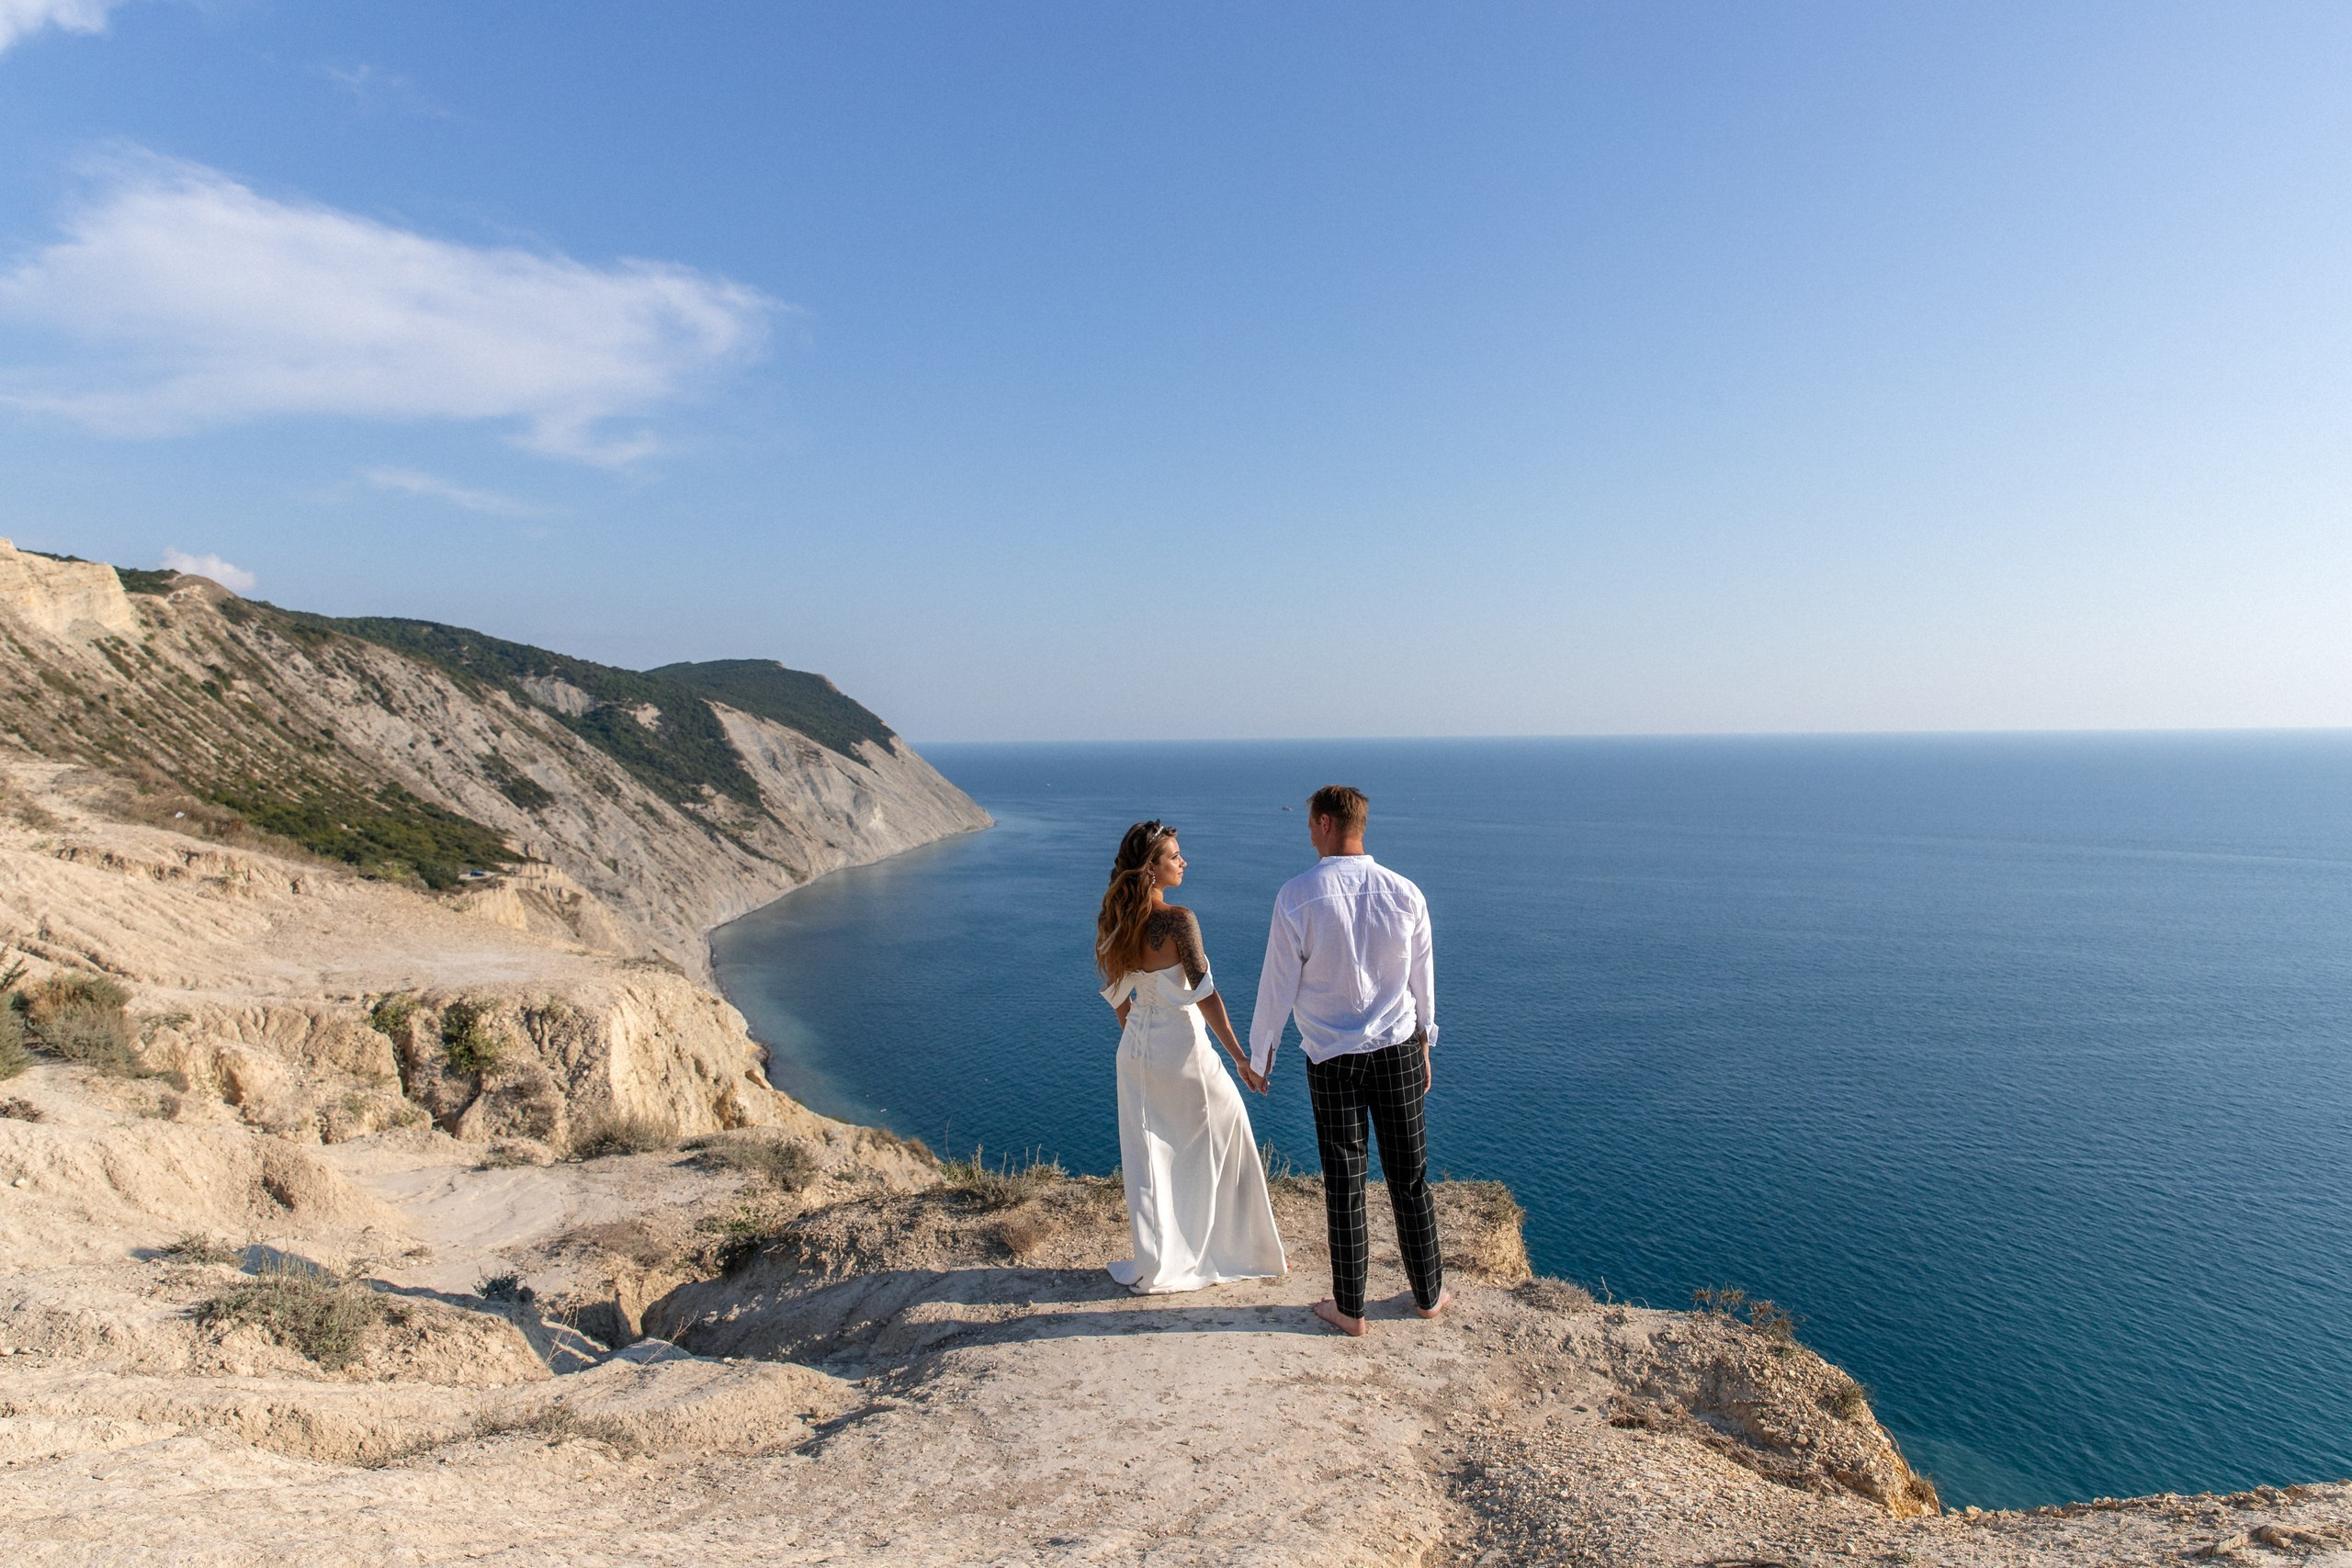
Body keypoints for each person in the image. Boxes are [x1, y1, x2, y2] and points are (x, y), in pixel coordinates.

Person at [1249, 784, 1451, 1336]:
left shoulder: (1296, 896)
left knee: (1345, 1180)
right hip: (1400, 1049)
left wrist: (1260, 1055)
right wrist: (1426, 1041)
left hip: (1332, 1058)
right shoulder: (1407, 892)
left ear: (1322, 823)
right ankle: (1429, 1295)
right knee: (1410, 1176)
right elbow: (1422, 981)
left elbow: (1277, 984)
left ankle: (1350, 1309)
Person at [1096, 819, 1287, 1292]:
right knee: (1229, 1131)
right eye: (1174, 856)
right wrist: (1242, 1058)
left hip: (1137, 1050)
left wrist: (1138, 1038)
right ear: (1151, 868)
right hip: (1184, 1050)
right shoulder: (1179, 920)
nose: (1184, 862)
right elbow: (1206, 994)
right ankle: (1232, 1249)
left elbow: (1119, 997)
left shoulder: (1115, 920)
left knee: (1151, 1155)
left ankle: (1158, 1257)